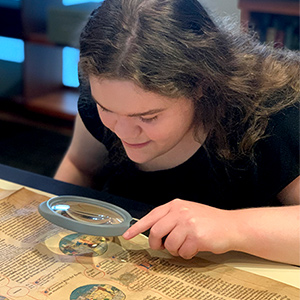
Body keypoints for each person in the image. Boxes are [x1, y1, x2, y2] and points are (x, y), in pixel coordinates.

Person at [55, 0, 300, 265]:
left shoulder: (274, 116)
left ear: (201, 85)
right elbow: (80, 166)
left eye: (148, 117)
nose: (124, 132)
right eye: (107, 109)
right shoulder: (108, 92)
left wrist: (232, 227)